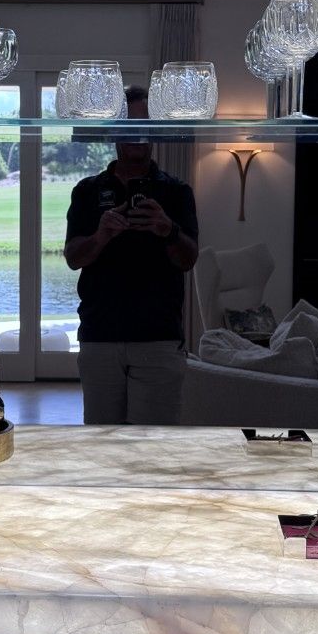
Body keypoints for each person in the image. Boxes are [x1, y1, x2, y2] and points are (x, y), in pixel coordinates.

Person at [64, 85, 199, 425]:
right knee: (101, 445)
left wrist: (166, 228)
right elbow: (73, 258)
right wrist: (101, 235)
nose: (137, 134)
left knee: (154, 450)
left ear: (156, 130)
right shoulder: (87, 191)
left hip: (159, 338)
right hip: (99, 337)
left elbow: (188, 260)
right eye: (128, 124)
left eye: (145, 124)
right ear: (113, 130)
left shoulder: (177, 192)